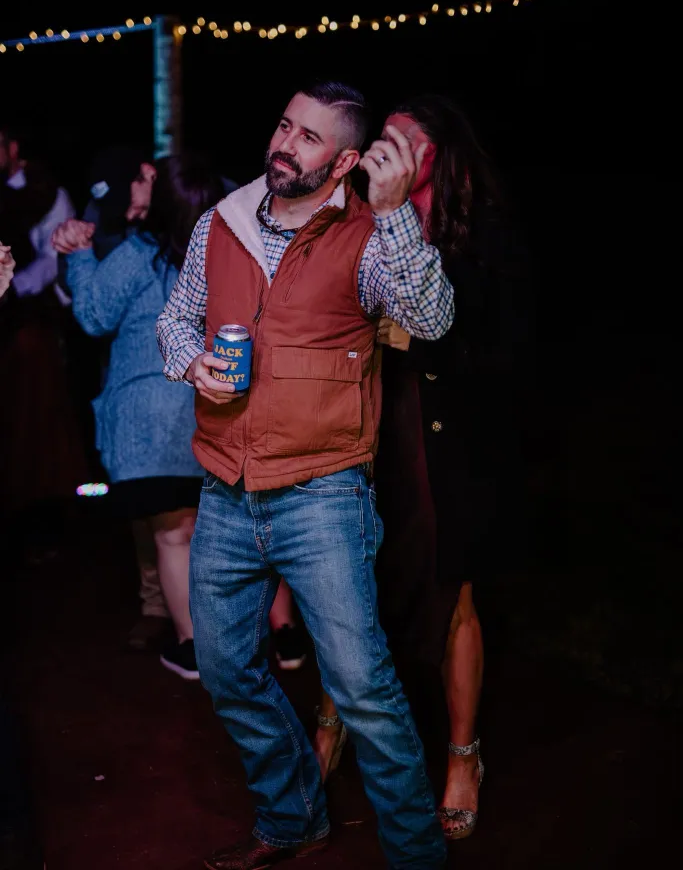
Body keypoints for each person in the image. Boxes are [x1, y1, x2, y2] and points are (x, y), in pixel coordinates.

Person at [156, 80, 453, 870]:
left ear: (346, 160)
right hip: (223, 492)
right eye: (285, 125)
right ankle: (292, 820)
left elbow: (430, 319)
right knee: (225, 674)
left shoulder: (367, 235)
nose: (285, 143)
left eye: (310, 138)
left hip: (322, 495)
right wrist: (189, 363)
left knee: (363, 693)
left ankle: (416, 856)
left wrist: (392, 211)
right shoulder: (221, 222)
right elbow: (175, 316)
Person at [315, 94, 532, 842]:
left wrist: (418, 337)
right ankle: (329, 722)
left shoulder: (483, 238)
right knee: (345, 586)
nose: (387, 152)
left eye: (406, 142)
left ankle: (462, 755)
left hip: (448, 447)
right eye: (383, 138)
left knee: (452, 597)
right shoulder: (355, 218)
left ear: (440, 156)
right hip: (365, 430)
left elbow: (504, 352)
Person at [52, 154, 227, 680]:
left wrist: (80, 256)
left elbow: (91, 315)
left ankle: (194, 648)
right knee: (211, 533)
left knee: (173, 535)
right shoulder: (222, 252)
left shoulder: (140, 253)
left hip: (149, 424)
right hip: (208, 413)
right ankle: (233, 644)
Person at [0, 127, 87, 539]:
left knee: (38, 418)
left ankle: (44, 514)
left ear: (12, 148)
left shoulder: (47, 191)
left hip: (31, 319)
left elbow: (53, 258)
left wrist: (12, 290)